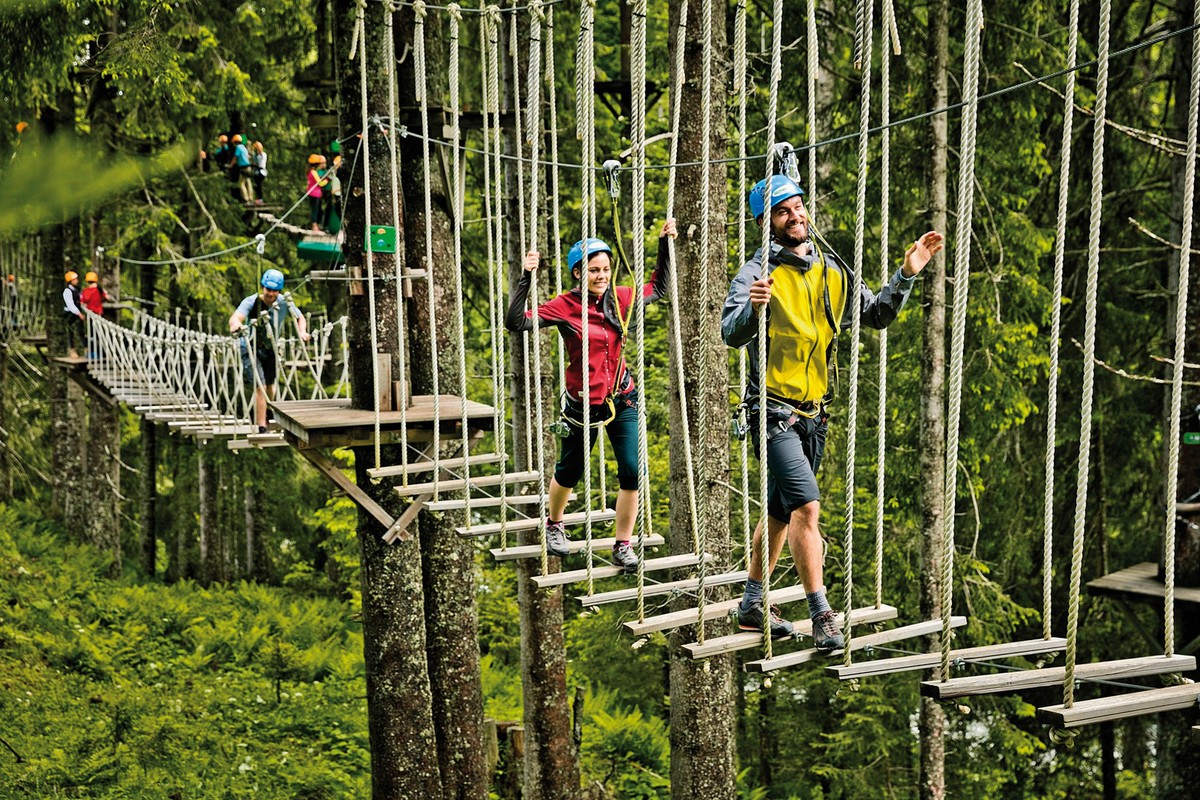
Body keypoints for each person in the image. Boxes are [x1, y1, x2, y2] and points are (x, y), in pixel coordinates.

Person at [721, 174, 943, 650]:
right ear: (766, 224)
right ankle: (821, 613)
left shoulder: (830, 270)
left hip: (813, 416)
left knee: (781, 513)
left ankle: (752, 603)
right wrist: (752, 311)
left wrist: (906, 274)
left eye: (798, 206)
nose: (796, 215)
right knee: (806, 506)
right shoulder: (755, 274)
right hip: (771, 413)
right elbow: (730, 333)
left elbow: (876, 314)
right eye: (783, 211)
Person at [505, 219, 677, 573]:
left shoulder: (620, 298)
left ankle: (623, 544)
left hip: (622, 397)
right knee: (569, 470)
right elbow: (516, 321)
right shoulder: (565, 306)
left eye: (605, 269)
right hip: (582, 403)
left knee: (632, 471)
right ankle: (554, 524)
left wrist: (663, 244)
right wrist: (525, 276)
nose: (601, 276)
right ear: (577, 273)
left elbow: (659, 287)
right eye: (593, 270)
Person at [229, 269, 310, 433]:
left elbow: (299, 317)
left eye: (274, 290)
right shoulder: (252, 301)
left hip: (270, 348)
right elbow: (235, 318)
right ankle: (262, 426)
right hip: (250, 347)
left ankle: (268, 411)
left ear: (279, 291)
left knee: (271, 387)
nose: (271, 294)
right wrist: (236, 326)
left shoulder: (284, 301)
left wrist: (302, 332)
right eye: (268, 289)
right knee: (260, 386)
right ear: (262, 287)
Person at [62, 271, 84, 358]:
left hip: (77, 313)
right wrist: (79, 313)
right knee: (70, 332)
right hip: (70, 314)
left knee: (81, 331)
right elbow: (70, 304)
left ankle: (85, 349)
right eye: (75, 279)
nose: (77, 280)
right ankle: (72, 350)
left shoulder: (77, 289)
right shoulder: (67, 291)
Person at [306, 154, 328, 232]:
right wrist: (327, 180)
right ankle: (314, 226)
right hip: (314, 194)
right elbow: (320, 183)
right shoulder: (313, 172)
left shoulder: (309, 171)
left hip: (312, 193)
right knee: (315, 210)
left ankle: (315, 225)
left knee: (316, 209)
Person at [231, 134, 254, 203]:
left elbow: (235, 157)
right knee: (248, 182)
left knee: (241, 183)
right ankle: (250, 198)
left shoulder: (238, 147)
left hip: (243, 167)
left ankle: (245, 199)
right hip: (248, 166)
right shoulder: (243, 147)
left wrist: (230, 165)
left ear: (235, 142)